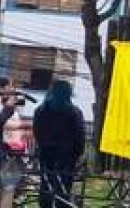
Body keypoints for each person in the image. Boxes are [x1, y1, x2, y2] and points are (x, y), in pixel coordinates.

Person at [32, 80, 85, 208]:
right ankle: (62, 205)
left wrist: (43, 144)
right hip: (67, 155)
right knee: (64, 184)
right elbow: (79, 135)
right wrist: (78, 153)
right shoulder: (74, 112)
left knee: (46, 182)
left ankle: (45, 205)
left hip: (46, 153)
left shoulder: (40, 110)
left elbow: (37, 131)